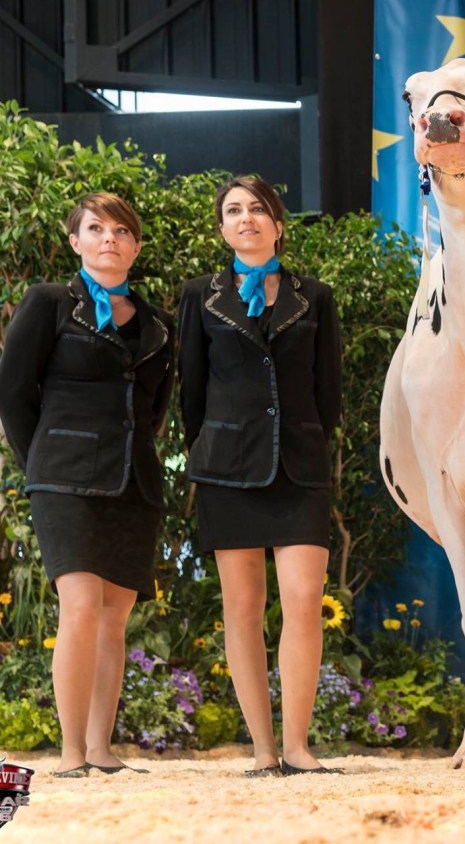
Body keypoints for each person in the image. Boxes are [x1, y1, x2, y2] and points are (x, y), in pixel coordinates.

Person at [0, 193, 174, 777]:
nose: (109, 238)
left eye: (121, 230)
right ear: (75, 242)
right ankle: (72, 753)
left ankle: (102, 750)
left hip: (134, 480)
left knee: (114, 618)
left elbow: (155, 410)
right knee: (78, 606)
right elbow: (13, 395)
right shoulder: (49, 303)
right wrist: (43, 465)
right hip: (63, 478)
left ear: (136, 246)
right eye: (95, 229)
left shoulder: (157, 325)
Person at [178, 176, 342, 777]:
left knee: (302, 603)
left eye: (257, 209)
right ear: (223, 227)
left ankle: (297, 746)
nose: (245, 218)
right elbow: (190, 393)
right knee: (242, 609)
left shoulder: (315, 296)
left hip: (300, 468)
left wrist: (309, 443)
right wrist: (212, 448)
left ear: (277, 222)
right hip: (227, 469)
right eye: (233, 210)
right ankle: (262, 749)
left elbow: (330, 394)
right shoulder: (199, 296)